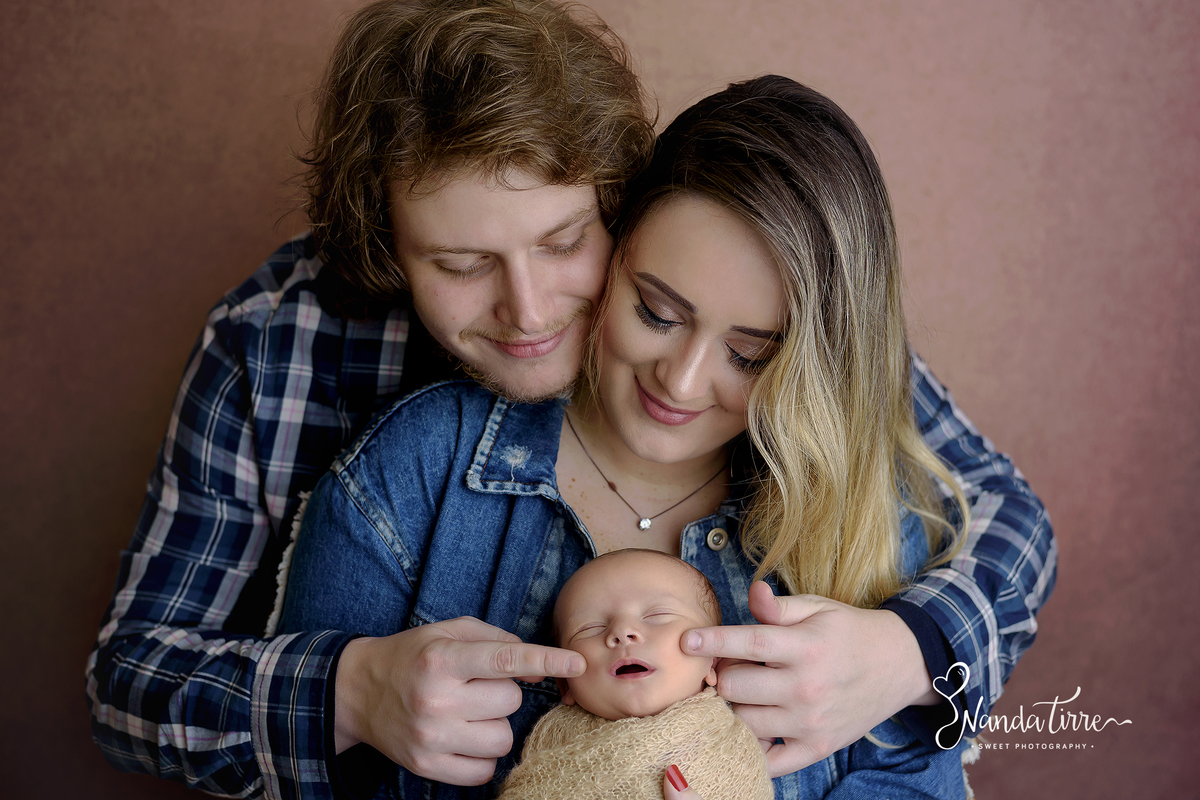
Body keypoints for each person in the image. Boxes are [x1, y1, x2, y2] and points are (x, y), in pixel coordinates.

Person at [85, 0, 1055, 797]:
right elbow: (131, 675)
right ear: (386, 246)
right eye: (462, 264)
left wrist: (909, 648)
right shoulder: (286, 348)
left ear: (618, 202)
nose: (531, 310)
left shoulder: (751, 299)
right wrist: (350, 688)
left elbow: (1004, 516)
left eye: (562, 244)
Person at [495, 548, 772, 800]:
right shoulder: (548, 745)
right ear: (565, 684)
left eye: (657, 614)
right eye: (589, 628)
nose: (622, 632)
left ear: (711, 663)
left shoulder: (734, 751)